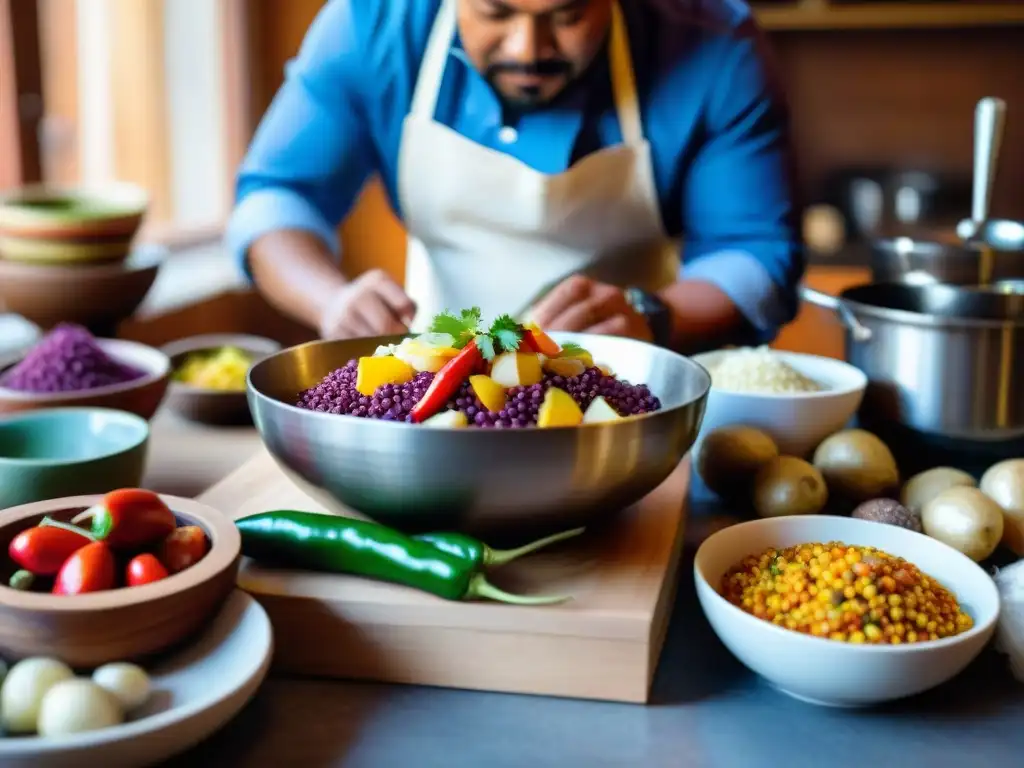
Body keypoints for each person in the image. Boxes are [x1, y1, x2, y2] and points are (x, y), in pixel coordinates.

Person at [226, 0, 803, 352]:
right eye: (496, 11)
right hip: (437, 379)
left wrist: (654, 315)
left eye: (568, 15)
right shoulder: (371, 26)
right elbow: (276, 198)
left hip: (641, 380)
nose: (529, 49)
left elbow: (754, 254)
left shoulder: (713, 44)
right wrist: (331, 301)